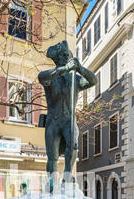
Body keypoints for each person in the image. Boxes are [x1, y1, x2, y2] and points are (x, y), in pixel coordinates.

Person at [38, 41, 97, 184]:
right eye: (64, 55)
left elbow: (93, 81)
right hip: (53, 121)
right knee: (52, 156)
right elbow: (42, 77)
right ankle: (52, 182)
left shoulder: (76, 80)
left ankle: (68, 174)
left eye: (69, 55)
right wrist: (64, 69)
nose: (67, 57)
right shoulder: (51, 77)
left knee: (74, 144)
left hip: (68, 121)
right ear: (57, 58)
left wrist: (80, 68)